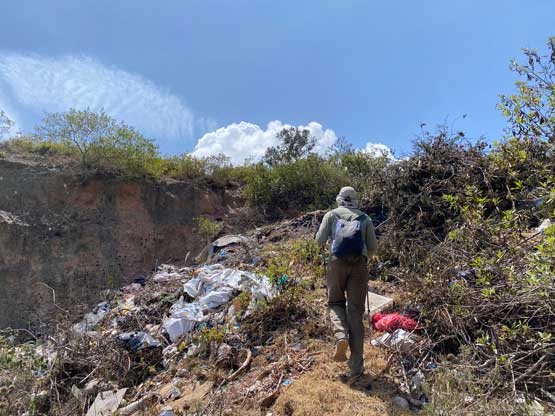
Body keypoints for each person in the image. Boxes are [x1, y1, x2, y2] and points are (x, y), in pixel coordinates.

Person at [315, 186, 377, 379]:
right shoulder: (365, 219)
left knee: (335, 302)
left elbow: (319, 240)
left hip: (336, 264)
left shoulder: (331, 215)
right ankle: (356, 366)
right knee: (355, 313)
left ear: (340, 199)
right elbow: (373, 248)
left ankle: (340, 336)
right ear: (356, 200)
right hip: (359, 266)